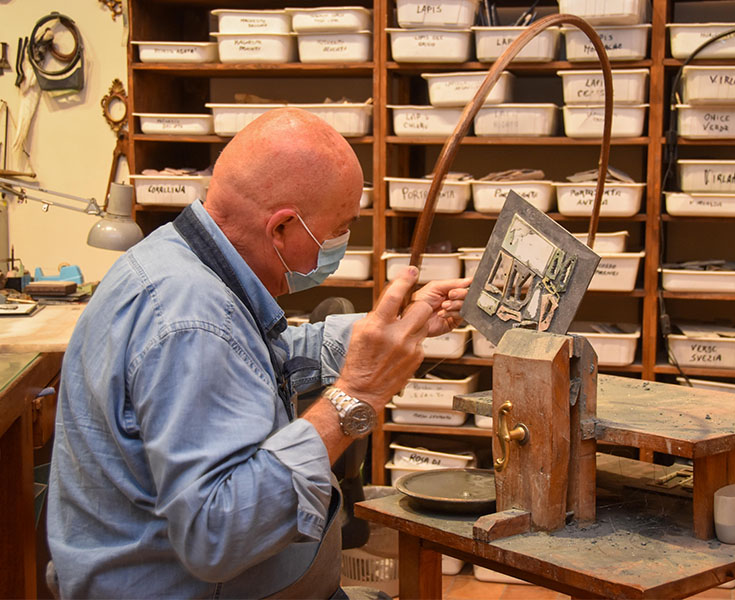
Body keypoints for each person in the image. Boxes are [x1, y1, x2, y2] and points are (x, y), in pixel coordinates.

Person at [47, 108, 470, 599]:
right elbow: (218, 535)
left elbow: (257, 358)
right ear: (282, 227)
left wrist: (387, 330)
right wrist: (356, 394)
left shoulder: (182, 256)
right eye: (340, 228)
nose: (340, 244)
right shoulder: (192, 322)